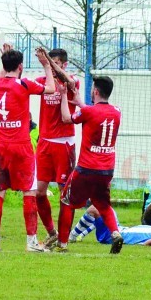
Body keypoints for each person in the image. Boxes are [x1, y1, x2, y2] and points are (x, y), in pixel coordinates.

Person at [0, 44, 56, 252]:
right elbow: (51, 88)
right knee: (29, 192)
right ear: (21, 66)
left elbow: (2, 75)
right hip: (21, 146)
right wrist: (46, 66)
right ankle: (32, 241)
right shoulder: (24, 84)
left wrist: (4, 59)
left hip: (0, 146)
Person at [55, 76, 123, 254]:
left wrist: (63, 95)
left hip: (86, 168)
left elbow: (66, 118)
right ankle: (115, 233)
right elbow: (95, 114)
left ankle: (62, 244)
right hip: (107, 170)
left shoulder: (89, 112)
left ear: (95, 91)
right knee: (103, 204)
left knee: (66, 201)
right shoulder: (117, 111)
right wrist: (80, 103)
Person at [34, 48, 81, 249]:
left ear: (64, 64)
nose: (52, 68)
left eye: (56, 64)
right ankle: (52, 232)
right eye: (50, 63)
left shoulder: (72, 81)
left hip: (64, 143)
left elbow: (68, 82)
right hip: (45, 142)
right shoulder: (42, 79)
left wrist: (48, 64)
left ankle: (64, 237)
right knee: (39, 191)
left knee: (65, 192)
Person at [70, 205, 151, 247]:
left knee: (95, 209)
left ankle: (73, 236)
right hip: (119, 229)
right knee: (104, 208)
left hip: (114, 236)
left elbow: (146, 244)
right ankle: (78, 235)